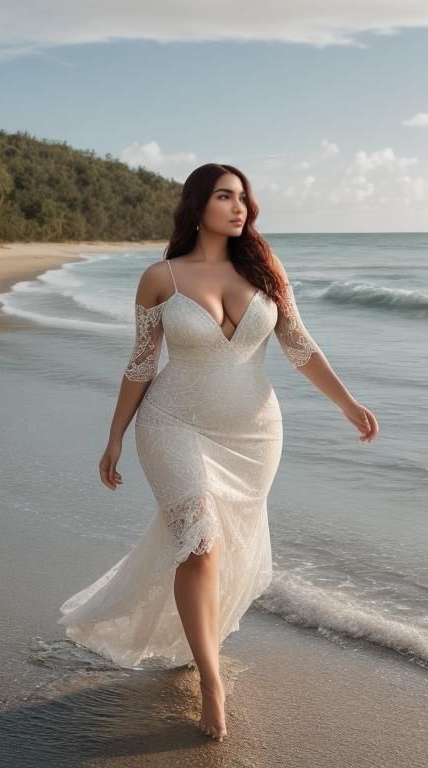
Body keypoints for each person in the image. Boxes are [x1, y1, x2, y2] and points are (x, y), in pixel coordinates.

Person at [58, 162, 379, 743]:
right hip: (172, 422)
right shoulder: (161, 277)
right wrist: (114, 437)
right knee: (201, 543)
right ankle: (211, 682)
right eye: (226, 197)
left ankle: (198, 643)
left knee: (217, 550)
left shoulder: (265, 271)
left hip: (254, 434)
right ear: (198, 205)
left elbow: (299, 346)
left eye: (245, 200)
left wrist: (348, 404)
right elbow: (141, 363)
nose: (241, 208)